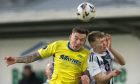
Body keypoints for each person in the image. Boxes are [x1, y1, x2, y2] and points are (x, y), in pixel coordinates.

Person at [5, 26, 90, 84]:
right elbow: (33, 56)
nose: (78, 42)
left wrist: (86, 77)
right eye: (76, 38)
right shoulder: (58, 45)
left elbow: (86, 72)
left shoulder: (86, 54)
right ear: (71, 36)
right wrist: (16, 60)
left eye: (82, 40)